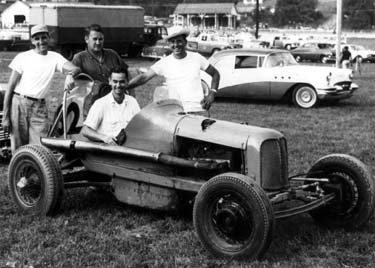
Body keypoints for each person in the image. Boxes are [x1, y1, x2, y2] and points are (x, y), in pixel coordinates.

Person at [2, 24, 80, 153]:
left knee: (41, 150)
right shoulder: (22, 57)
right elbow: (10, 87)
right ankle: (20, 173)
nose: (41, 41)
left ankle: (35, 173)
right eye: (37, 39)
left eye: (43, 37)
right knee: (18, 148)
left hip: (39, 107)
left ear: (48, 38)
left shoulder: (55, 57)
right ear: (32, 41)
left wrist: (70, 76)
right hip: (19, 104)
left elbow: (75, 68)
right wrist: (5, 117)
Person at [126, 28, 220, 113]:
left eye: (179, 41)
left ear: (185, 42)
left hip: (199, 109)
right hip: (176, 112)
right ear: (169, 44)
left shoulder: (196, 57)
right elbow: (144, 77)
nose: (176, 45)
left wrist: (212, 94)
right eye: (172, 42)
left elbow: (215, 74)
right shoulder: (164, 62)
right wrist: (125, 87)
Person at [71, 24, 135, 97]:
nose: (98, 42)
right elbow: (71, 79)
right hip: (92, 102)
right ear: (86, 39)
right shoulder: (79, 58)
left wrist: (132, 95)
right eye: (95, 39)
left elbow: (127, 74)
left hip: (114, 99)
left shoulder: (112, 54)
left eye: (100, 39)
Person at [81, 67, 140, 145]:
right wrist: (104, 138)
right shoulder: (100, 104)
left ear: (127, 82)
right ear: (110, 81)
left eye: (122, 82)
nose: (118, 85)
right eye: (115, 81)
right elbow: (85, 130)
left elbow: (140, 126)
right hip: (108, 150)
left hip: (129, 148)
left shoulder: (132, 101)